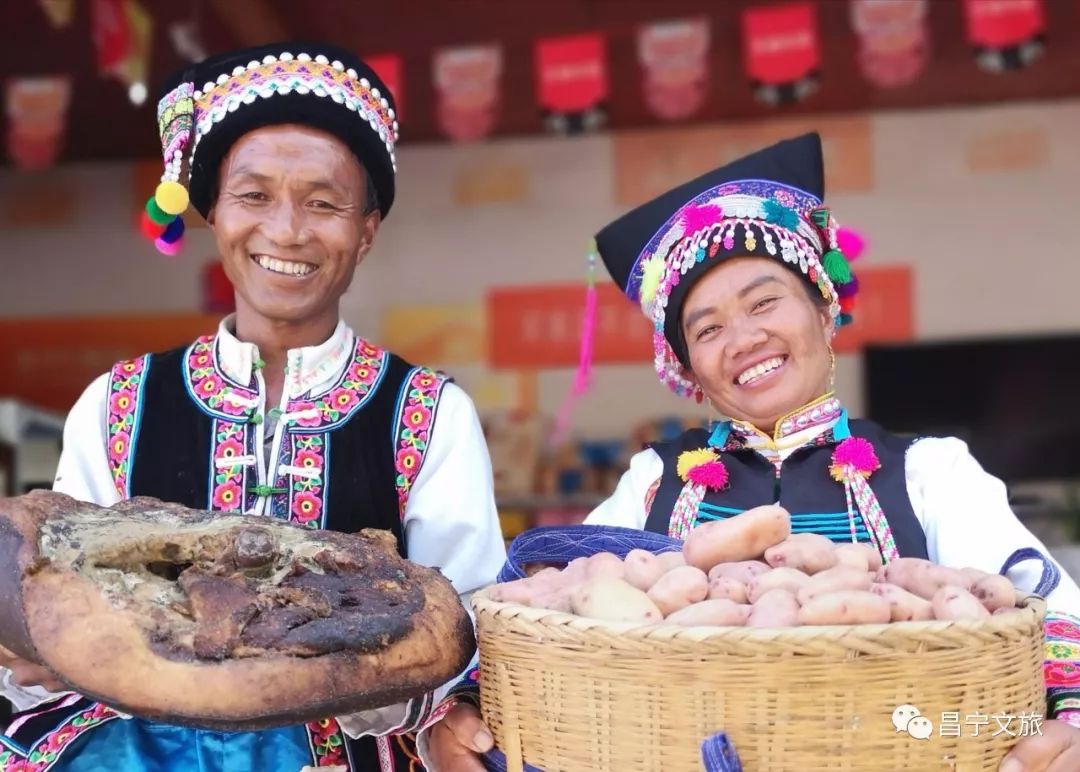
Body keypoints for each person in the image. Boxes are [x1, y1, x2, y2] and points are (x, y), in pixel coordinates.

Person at [432, 134, 1080, 771]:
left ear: (825, 311)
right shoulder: (654, 480)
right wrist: (463, 708)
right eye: (707, 328)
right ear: (688, 369)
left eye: (765, 301)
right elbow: (556, 610)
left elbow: (1051, 621)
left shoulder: (931, 472)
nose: (743, 338)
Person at [0, 42, 505, 772]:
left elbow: (468, 629)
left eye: (324, 202)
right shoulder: (119, 403)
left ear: (366, 231)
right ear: (213, 212)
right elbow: (52, 594)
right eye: (254, 195)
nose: (289, 230)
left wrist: (426, 711)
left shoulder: (426, 414)